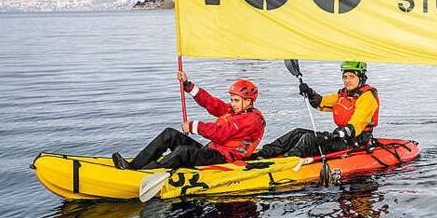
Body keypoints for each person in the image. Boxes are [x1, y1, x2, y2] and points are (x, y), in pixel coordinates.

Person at [111, 70, 265, 170]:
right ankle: (133, 166)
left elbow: (221, 134)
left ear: (248, 101)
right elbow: (212, 103)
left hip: (224, 159)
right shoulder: (235, 111)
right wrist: (188, 85)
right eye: (232, 99)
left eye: (236, 100)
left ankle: (142, 174)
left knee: (183, 152)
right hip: (211, 151)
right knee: (170, 134)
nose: (232, 103)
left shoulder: (252, 120)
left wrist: (193, 126)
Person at [252, 61, 379, 159]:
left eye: (351, 77)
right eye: (345, 77)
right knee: (297, 132)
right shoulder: (343, 94)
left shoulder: (368, 96)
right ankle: (265, 152)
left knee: (309, 139)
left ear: (361, 78)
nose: (347, 81)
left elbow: (358, 121)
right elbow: (321, 102)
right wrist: (309, 91)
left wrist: (342, 132)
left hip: (356, 141)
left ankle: (287, 160)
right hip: (341, 137)